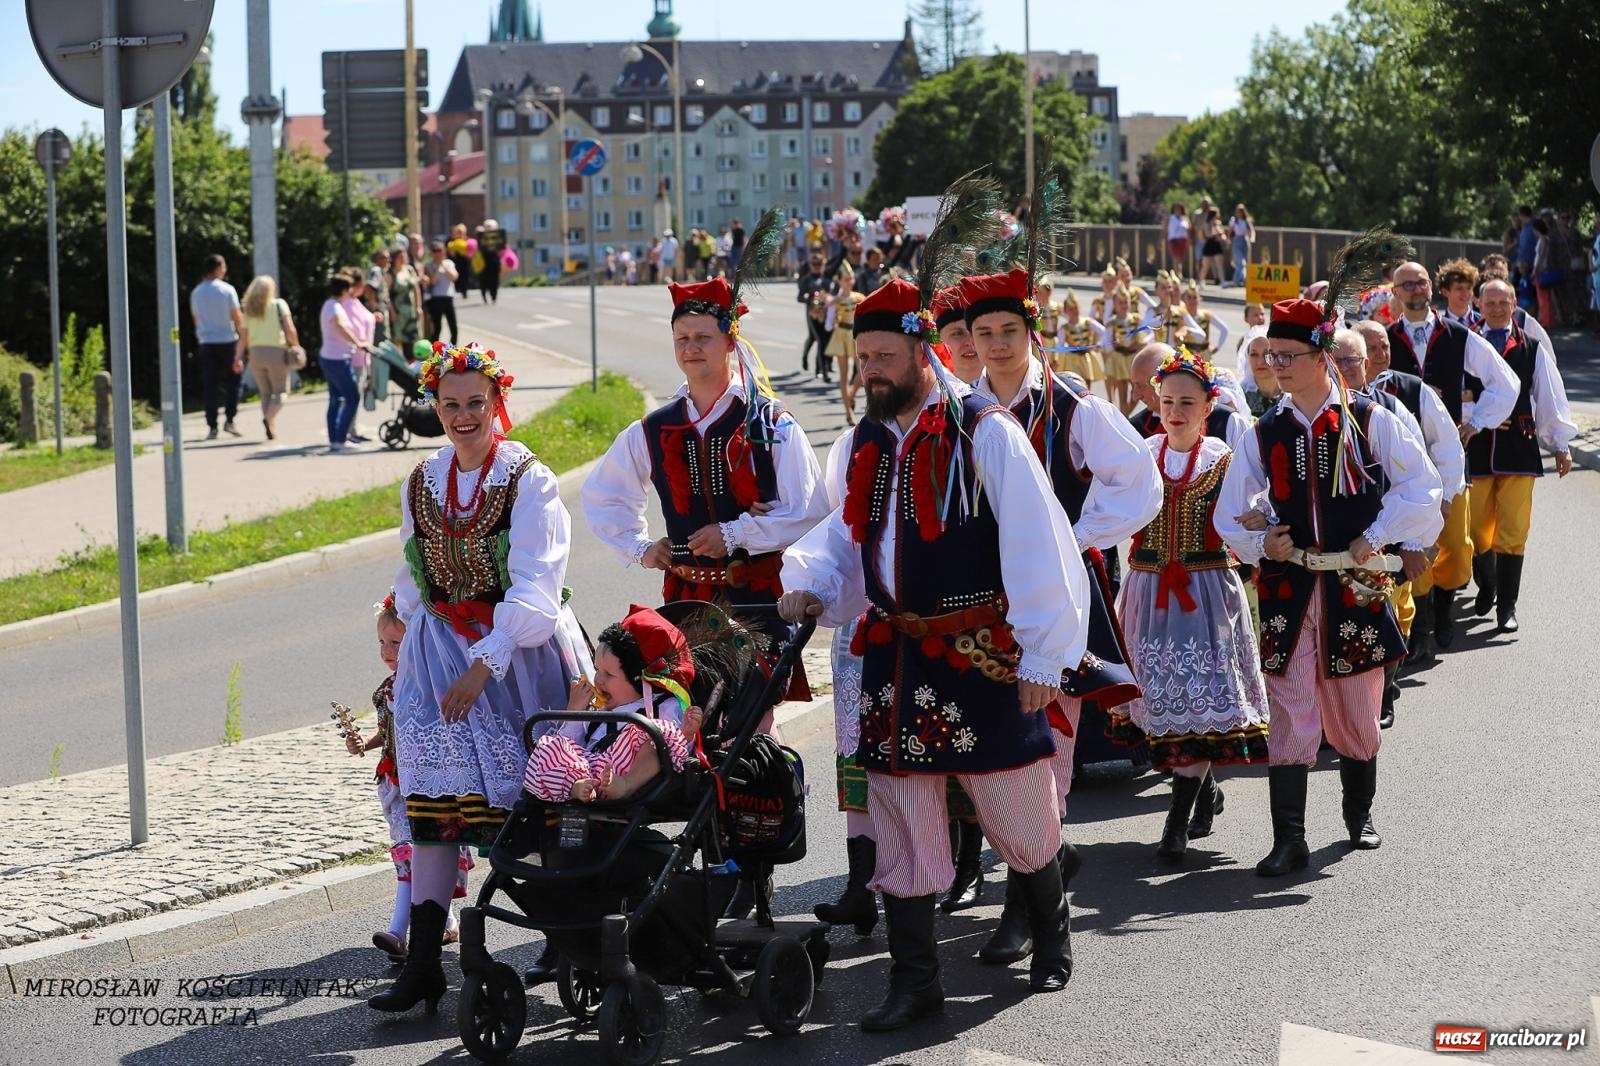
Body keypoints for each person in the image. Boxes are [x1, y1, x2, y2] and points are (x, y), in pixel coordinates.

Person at [781, 277, 1088, 1029]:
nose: (871, 371)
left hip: (979, 653)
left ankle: (1051, 929)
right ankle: (915, 979)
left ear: (925, 352)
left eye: (885, 356)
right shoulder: (867, 440)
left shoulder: (984, 430)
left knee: (1017, 810)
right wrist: (812, 582)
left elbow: (1038, 542)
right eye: (863, 358)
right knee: (899, 818)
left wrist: (1045, 659)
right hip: (894, 656)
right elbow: (849, 539)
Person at [370, 343, 594, 1014]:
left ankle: (566, 932)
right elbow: (415, 571)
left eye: (476, 403)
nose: (463, 417)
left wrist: (485, 661)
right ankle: (425, 965)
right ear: (434, 407)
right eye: (450, 405)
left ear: (498, 403)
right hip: (439, 653)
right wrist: (398, 622)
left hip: (518, 655)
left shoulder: (530, 478)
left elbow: (536, 589)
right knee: (435, 805)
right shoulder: (423, 478)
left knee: (535, 804)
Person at [1216, 296, 1442, 878]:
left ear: (1321, 356)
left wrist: (1379, 533)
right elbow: (1229, 510)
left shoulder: (1371, 419)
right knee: (1288, 711)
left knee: (1356, 710)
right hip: (1291, 590)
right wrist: (1265, 541)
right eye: (1270, 355)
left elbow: (1422, 486)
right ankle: (1288, 837)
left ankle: (1357, 813)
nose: (1276, 365)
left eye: (1287, 355)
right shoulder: (1266, 429)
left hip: (1356, 586)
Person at [965, 266, 1160, 929]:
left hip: (1066, 602)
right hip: (983, 607)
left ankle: (1026, 912)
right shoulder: (959, 413)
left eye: (1008, 331)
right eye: (983, 332)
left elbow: (1138, 482)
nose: (996, 344)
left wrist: (1071, 537)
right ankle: (1044, 864)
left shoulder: (1073, 407)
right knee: (998, 751)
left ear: (1032, 331)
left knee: (1052, 744)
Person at [1113, 349, 1270, 859]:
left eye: (1187, 402)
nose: (1174, 411)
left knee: (1200, 696)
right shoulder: (1139, 454)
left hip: (1205, 594)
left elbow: (1255, 510)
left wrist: (1259, 533)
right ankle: (1204, 790)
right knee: (1162, 700)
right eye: (1166, 401)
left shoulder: (1224, 458)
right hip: (1148, 591)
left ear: (1209, 406)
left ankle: (1175, 822)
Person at [1385, 260, 1519, 659]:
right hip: (1401, 462)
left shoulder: (1458, 335)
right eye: (1405, 284)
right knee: (1412, 540)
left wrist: (1477, 420)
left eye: (1420, 282)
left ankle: (1445, 605)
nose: (1414, 289)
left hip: (1448, 457)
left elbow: (1505, 381)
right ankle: (1422, 626)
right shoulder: (1385, 340)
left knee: (1457, 548)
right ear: (1395, 293)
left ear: (1431, 287)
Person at [1339, 323, 1462, 728]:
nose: (1347, 369)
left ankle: (1383, 695)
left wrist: (1413, 540)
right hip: (1333, 538)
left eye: (1353, 361)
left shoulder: (1391, 409)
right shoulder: (1308, 413)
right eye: (1337, 362)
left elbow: (1420, 477)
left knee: (1391, 608)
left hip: (1386, 530)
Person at [349, 593, 473, 964]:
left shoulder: (426, 684)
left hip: (427, 781)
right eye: (382, 643)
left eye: (396, 643)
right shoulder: (388, 687)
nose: (387, 651)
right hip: (395, 781)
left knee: (417, 851)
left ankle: (398, 928)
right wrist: (364, 743)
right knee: (411, 850)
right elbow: (388, 733)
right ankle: (444, 923)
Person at [1466, 279, 1576, 632]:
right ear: (1479, 305)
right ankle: (1488, 582)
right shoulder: (1464, 343)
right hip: (1476, 450)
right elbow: (1450, 395)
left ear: (1514, 304)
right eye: (1490, 302)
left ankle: (1507, 608)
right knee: (1475, 531)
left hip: (1519, 448)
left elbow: (1549, 395)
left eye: (1504, 302)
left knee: (1513, 530)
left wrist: (1560, 444)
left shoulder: (1532, 347)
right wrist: (1477, 416)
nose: (1497, 308)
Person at [521, 608, 701, 805]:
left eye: (609, 675)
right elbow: (573, 745)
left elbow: (676, 750)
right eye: (597, 670)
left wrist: (687, 734)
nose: (598, 680)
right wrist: (575, 710)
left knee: (657, 735)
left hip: (627, 772)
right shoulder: (601, 710)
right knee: (550, 746)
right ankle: (576, 786)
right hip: (589, 770)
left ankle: (625, 785)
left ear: (638, 680)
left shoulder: (663, 705)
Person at [1128, 342, 1249, 448]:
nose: (1135, 396)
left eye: (1141, 386)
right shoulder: (1135, 429)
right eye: (1167, 401)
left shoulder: (1227, 422)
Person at [238, 275, 300, 441]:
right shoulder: (279, 305)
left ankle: (271, 427)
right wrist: (296, 345)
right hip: (276, 352)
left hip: (255, 353)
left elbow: (243, 337)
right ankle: (269, 418)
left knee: (265, 393)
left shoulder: (248, 309)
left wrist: (238, 357)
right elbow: (289, 329)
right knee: (281, 392)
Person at [191, 253, 245, 440]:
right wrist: (244, 340)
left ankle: (212, 425)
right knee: (233, 382)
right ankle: (230, 419)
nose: (225, 270)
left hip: (206, 342)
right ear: (217, 269)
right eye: (223, 267)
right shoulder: (227, 290)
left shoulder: (196, 292)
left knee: (210, 385)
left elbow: (196, 319)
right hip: (228, 340)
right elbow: (237, 317)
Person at [317, 274, 366, 452]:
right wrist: (357, 342)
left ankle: (335, 440)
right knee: (352, 397)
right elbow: (340, 326)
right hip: (337, 359)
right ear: (344, 290)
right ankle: (339, 439)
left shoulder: (330, 305)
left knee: (336, 399)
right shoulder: (335, 308)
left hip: (331, 357)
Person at [826, 263, 866, 424]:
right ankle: (849, 412)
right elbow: (828, 324)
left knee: (862, 371)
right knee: (844, 375)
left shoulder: (859, 297)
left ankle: (850, 396)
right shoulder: (835, 300)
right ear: (840, 281)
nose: (849, 281)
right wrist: (833, 317)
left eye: (851, 278)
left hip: (855, 334)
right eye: (846, 279)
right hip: (841, 334)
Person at [1102, 286, 1151, 415]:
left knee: (1138, 391)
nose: (1124, 305)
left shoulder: (1136, 318)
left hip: (1134, 359)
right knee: (1122, 394)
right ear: (1115, 304)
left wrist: (1142, 343)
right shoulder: (1112, 322)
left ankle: (1125, 415)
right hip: (1119, 358)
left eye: (1126, 302)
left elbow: (1150, 333)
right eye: (1120, 302)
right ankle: (1125, 418)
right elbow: (1105, 342)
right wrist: (1113, 344)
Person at [1057, 290, 1107, 394]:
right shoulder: (1064, 328)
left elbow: (1105, 332)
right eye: (1071, 309)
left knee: (1087, 389)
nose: (1074, 311)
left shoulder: (1088, 322)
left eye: (1076, 308)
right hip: (1072, 360)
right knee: (1076, 387)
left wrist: (1098, 344)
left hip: (1086, 358)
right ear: (1066, 311)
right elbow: (1059, 347)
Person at [930, 285, 982, 384]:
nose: (970, 342)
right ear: (939, 340)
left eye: (977, 331)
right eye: (957, 333)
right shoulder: (931, 395)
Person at [798, 251, 834, 375]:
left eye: (819, 264)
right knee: (815, 338)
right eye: (814, 264)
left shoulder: (826, 279)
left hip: (824, 313)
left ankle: (822, 367)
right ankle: (806, 357)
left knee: (824, 339)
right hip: (812, 313)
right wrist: (810, 299)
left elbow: (830, 295)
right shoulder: (806, 279)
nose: (817, 266)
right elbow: (799, 297)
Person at [423, 241, 460, 345]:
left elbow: (454, 277)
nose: (438, 253)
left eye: (440, 251)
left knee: (453, 326)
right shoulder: (429, 265)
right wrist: (437, 267)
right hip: (436, 299)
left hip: (448, 297)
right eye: (435, 251)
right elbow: (433, 281)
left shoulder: (449, 263)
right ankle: (436, 350)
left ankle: (453, 348)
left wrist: (444, 266)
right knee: (437, 327)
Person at [1181, 279, 1229, 358]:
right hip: (1186, 355)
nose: (1192, 300)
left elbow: (1224, 329)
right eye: (1189, 297)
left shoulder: (1206, 315)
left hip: (1203, 356)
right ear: (1184, 299)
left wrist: (1217, 348)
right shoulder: (1181, 315)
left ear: (1199, 299)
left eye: (1195, 297)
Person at [389, 245, 424, 352]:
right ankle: (400, 364)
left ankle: (416, 363)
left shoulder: (409, 270)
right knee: (398, 339)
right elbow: (388, 295)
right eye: (400, 256)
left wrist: (418, 306)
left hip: (411, 310)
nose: (403, 258)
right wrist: (392, 311)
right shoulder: (390, 273)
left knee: (415, 337)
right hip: (399, 312)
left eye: (404, 255)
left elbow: (416, 289)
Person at [477, 221, 506, 304]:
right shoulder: (481, 236)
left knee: (494, 281)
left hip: (494, 262)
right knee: (483, 281)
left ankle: (494, 296)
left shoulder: (498, 237)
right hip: (483, 262)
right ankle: (484, 296)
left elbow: (502, 248)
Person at [1198, 209, 1228, 287]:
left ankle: (1222, 281)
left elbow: (1222, 233)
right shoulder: (1206, 223)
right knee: (1206, 265)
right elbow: (1209, 234)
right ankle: (1201, 281)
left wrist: (1222, 236)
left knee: (1219, 264)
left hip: (1216, 243)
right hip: (1209, 243)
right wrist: (1214, 227)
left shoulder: (1218, 223)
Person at [1228, 204, 1255, 287]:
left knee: (1242, 263)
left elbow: (1252, 230)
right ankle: (1245, 280)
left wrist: (1252, 238)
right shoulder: (1233, 220)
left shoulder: (1246, 220)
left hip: (1244, 240)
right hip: (1236, 240)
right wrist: (1229, 239)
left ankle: (1235, 282)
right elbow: (1230, 231)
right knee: (1241, 263)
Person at [446, 223, 474, 298]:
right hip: (455, 262)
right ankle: (455, 290)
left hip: (465, 262)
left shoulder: (467, 240)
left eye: (461, 231)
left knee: (465, 277)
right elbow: (448, 251)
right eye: (458, 231)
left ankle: (464, 291)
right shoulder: (451, 240)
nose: (460, 233)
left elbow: (471, 251)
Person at [1166, 203, 1191, 274]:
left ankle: (1179, 272)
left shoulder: (1185, 218)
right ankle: (1176, 272)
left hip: (1183, 239)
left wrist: (1190, 239)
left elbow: (1189, 229)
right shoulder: (1170, 218)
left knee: (1180, 257)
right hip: (1173, 239)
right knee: (1175, 256)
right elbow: (1165, 229)